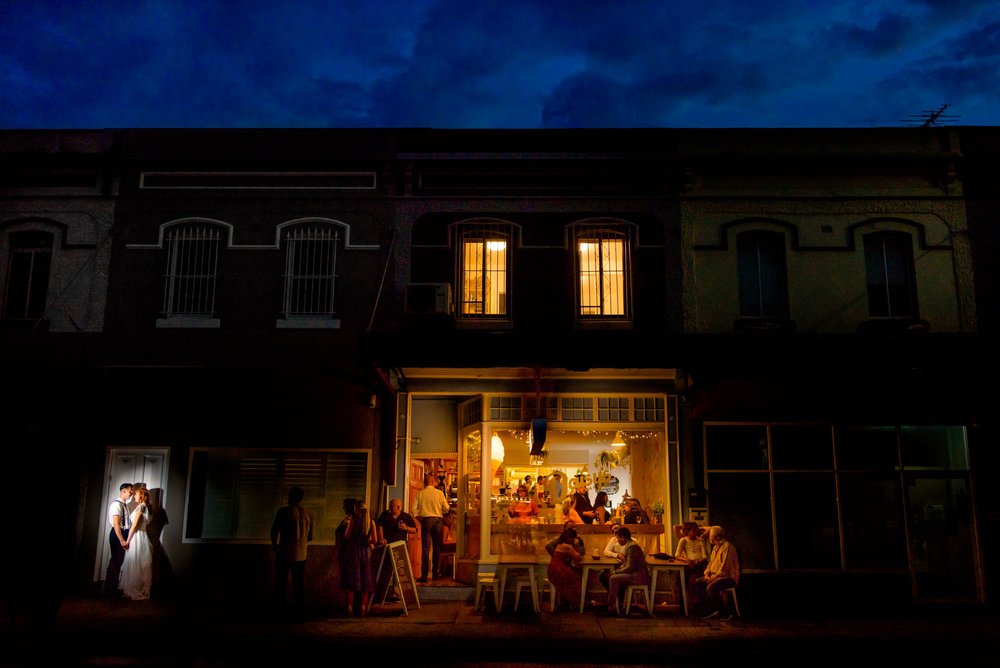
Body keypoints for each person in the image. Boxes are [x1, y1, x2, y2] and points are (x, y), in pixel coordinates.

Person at [270, 486, 313, 621]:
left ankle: (279, 612)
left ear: (290, 496)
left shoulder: (283, 512)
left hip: (285, 553)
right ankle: (298, 612)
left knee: (281, 584)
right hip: (301, 554)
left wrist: (275, 545)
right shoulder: (308, 513)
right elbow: (310, 537)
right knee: (298, 585)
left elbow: (274, 530)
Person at [694, 525, 741, 620]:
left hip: (728, 578)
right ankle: (711, 610)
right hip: (715, 576)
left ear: (717, 537)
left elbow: (725, 569)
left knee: (711, 587)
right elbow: (710, 563)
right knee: (697, 583)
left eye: (710, 535)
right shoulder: (715, 547)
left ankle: (726, 613)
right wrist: (707, 574)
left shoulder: (728, 547)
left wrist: (712, 578)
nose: (709, 537)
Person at [342, 499, 377, 616]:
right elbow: (375, 540)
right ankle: (363, 606)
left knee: (352, 580)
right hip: (366, 553)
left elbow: (346, 537)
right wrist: (368, 541)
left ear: (356, 510)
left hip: (353, 553)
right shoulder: (370, 522)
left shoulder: (353, 521)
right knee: (366, 580)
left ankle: (350, 606)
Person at [604, 526, 649, 615]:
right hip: (635, 574)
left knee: (613, 578)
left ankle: (610, 606)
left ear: (623, 537)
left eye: (618, 538)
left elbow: (630, 568)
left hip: (638, 576)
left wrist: (616, 572)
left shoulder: (632, 547)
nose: (617, 540)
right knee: (610, 576)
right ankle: (612, 606)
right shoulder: (629, 545)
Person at [415, 473, 450, 583]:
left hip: (426, 520)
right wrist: (441, 511)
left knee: (425, 548)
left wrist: (419, 518)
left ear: (426, 483)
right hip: (438, 520)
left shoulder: (420, 493)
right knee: (436, 548)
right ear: (433, 482)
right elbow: (447, 508)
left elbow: (413, 509)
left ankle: (424, 575)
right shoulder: (439, 493)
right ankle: (435, 573)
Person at [120, 486, 153, 600]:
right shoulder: (145, 507)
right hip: (142, 536)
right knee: (139, 563)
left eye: (136, 494)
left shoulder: (141, 507)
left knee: (136, 562)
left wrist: (127, 540)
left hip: (137, 536)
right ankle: (138, 588)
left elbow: (134, 526)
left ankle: (136, 589)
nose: (134, 495)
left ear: (141, 495)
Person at [104, 482, 133, 597]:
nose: (131, 493)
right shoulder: (116, 505)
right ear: (124, 491)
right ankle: (110, 590)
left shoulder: (124, 505)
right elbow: (116, 524)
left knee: (118, 561)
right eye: (130, 491)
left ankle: (112, 587)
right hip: (117, 534)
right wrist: (121, 540)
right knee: (115, 561)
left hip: (123, 533)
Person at [546, 526, 583, 610]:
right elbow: (578, 557)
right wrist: (577, 544)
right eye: (573, 538)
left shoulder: (560, 544)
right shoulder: (567, 546)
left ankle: (566, 601)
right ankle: (574, 603)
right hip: (559, 569)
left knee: (575, 573)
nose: (573, 540)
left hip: (552, 568)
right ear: (569, 538)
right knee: (577, 577)